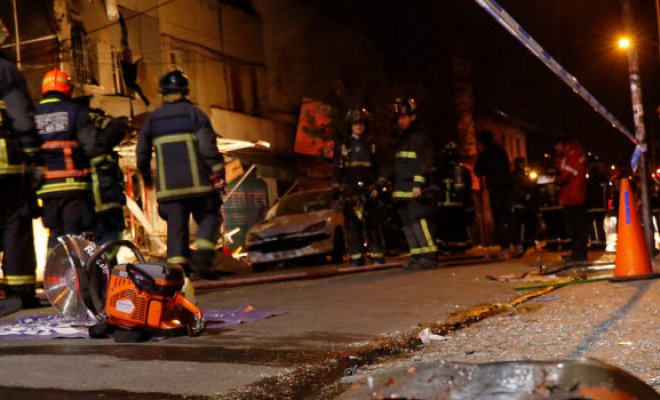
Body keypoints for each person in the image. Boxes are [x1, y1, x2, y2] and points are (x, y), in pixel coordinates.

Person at [136, 70, 224, 280]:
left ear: (162, 93)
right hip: (199, 186)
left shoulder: (152, 119)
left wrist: (146, 176)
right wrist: (218, 171)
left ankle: (177, 275)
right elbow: (207, 148)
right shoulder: (195, 114)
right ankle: (203, 259)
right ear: (185, 91)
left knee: (176, 230)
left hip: (170, 190)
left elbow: (142, 153)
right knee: (210, 217)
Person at [35, 68, 99, 253]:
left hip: (46, 190)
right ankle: (75, 278)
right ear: (68, 90)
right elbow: (92, 146)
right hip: (74, 187)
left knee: (54, 235)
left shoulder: (33, 115)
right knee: (74, 237)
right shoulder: (75, 111)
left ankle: (53, 278)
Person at [0, 42, 42, 307]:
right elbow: (22, 118)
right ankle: (20, 294)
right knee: (15, 226)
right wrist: (33, 156)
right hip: (7, 166)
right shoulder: (5, 71)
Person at [332, 107, 385, 266]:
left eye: (361, 123)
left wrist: (378, 185)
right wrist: (336, 190)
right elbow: (337, 169)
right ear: (350, 125)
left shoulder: (372, 144)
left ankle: (377, 257)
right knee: (353, 227)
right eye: (355, 123)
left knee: (373, 224)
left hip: (369, 190)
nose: (358, 126)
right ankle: (356, 259)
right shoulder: (344, 146)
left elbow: (381, 167)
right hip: (351, 192)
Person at [390, 98, 438, 269]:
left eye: (404, 117)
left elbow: (423, 161)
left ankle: (429, 256)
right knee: (408, 223)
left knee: (419, 220)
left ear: (413, 117)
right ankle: (417, 256)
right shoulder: (403, 137)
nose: (401, 121)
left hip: (414, 188)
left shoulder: (419, 135)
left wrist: (418, 184)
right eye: (399, 118)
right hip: (402, 188)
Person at [87, 106, 130, 264]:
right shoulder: (91, 121)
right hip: (105, 194)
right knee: (112, 233)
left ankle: (101, 269)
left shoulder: (73, 123)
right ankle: (103, 265)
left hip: (87, 197)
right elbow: (119, 127)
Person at [474, 130, 514, 259]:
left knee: (499, 218)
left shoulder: (486, 153)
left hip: (495, 188)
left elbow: (478, 171)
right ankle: (518, 244)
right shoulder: (501, 151)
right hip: (507, 186)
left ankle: (505, 249)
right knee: (510, 216)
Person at [554, 134, 588, 261]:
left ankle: (578, 253)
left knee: (575, 226)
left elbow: (568, 173)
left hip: (572, 195)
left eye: (557, 145)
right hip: (573, 194)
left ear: (563, 144)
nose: (556, 149)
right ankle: (577, 252)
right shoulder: (575, 153)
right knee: (575, 226)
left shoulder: (572, 155)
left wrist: (555, 179)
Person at [436, 141, 474, 253]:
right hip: (454, 205)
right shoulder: (459, 170)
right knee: (453, 228)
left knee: (450, 228)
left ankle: (451, 247)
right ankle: (454, 247)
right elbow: (466, 189)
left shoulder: (454, 170)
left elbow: (463, 188)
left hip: (449, 205)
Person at [511, 157, 539, 254]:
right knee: (520, 227)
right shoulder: (517, 176)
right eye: (524, 164)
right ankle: (522, 245)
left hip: (525, 205)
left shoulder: (522, 175)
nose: (526, 166)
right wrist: (526, 197)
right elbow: (518, 190)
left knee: (528, 226)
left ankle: (526, 243)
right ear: (520, 164)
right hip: (521, 205)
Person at [584, 153, 607, 251]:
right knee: (599, 224)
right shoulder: (601, 176)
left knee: (595, 224)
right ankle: (600, 242)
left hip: (594, 205)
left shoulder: (593, 177)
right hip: (600, 204)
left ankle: (597, 243)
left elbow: (590, 190)